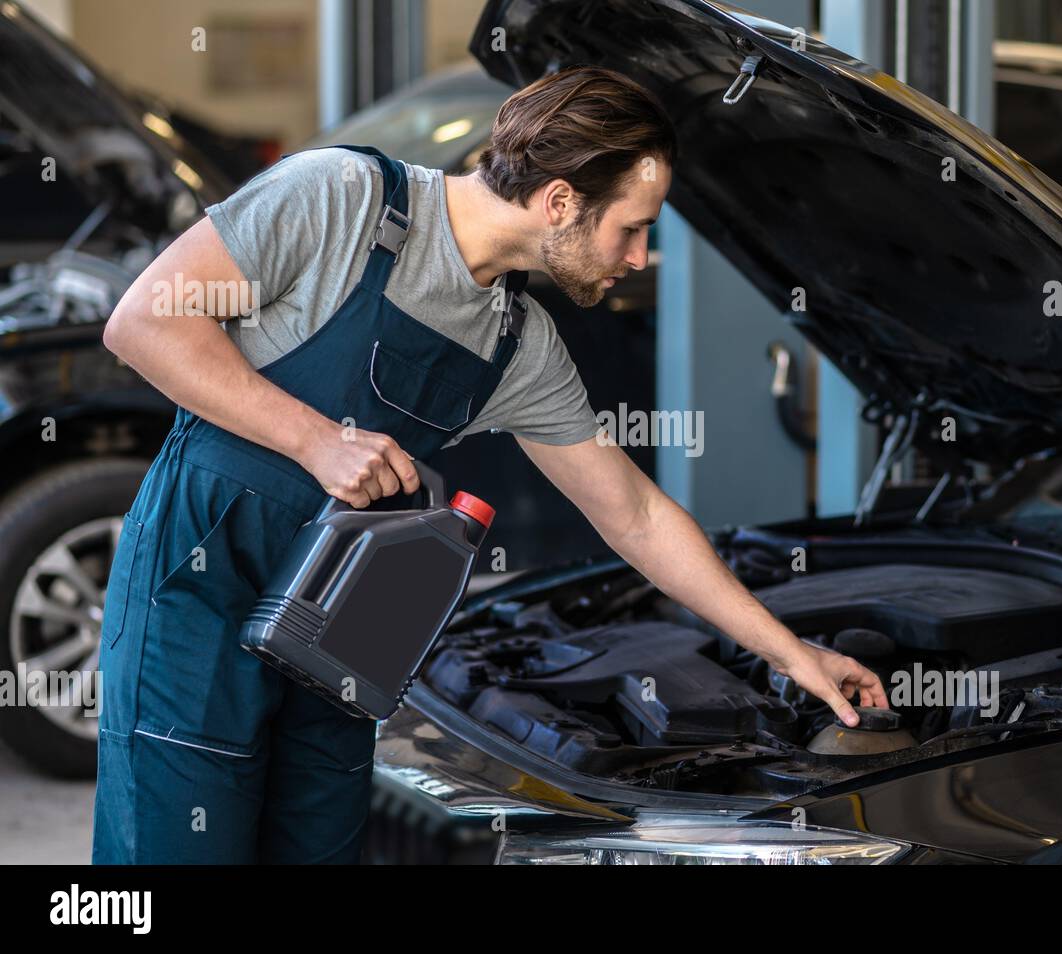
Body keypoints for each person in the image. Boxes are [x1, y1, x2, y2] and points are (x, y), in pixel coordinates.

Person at [92, 66, 887, 864]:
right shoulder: (340, 196)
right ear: (561, 202)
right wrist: (314, 440)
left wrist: (792, 653)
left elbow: (635, 515)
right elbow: (143, 324)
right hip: (198, 586)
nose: (640, 258)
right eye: (633, 229)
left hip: (339, 636)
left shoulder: (518, 344)